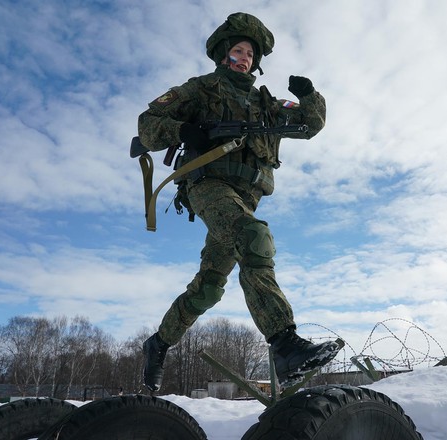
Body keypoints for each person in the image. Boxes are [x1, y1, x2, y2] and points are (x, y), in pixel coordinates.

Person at [137, 12, 340, 392]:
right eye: (237, 50)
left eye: (250, 53)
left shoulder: (265, 104)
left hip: (245, 198)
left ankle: (158, 343)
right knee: (254, 238)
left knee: (210, 287)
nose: (244, 58)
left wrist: (310, 96)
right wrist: (184, 130)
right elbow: (148, 124)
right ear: (223, 55)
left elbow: (309, 126)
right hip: (208, 185)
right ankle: (285, 343)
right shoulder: (200, 89)